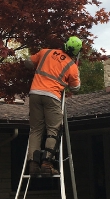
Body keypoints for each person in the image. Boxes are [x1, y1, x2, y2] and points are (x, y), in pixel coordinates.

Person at [24, 36, 82, 176]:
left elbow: (27, 62)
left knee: (36, 129)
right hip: (52, 97)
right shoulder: (71, 66)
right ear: (76, 52)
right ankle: (47, 164)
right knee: (53, 130)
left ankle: (33, 164)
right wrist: (75, 73)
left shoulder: (46, 52)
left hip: (34, 94)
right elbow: (76, 88)